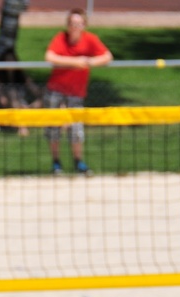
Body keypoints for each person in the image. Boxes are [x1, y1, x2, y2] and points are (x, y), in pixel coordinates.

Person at [44, 8, 112, 176]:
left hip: (76, 92)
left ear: (84, 25)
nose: (75, 26)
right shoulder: (60, 38)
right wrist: (75, 62)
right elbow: (50, 57)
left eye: (78, 23)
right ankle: (56, 162)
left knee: (76, 128)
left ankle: (78, 161)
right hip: (56, 90)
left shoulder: (90, 39)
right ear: (68, 25)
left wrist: (88, 61)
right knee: (54, 127)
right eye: (72, 23)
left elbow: (107, 56)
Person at [0, 48, 42, 137]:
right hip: (8, 107)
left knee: (46, 98)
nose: (10, 63)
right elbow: (2, 100)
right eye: (7, 60)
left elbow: (35, 90)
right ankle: (23, 128)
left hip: (24, 106)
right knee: (13, 95)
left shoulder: (21, 76)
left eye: (12, 60)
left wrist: (41, 96)